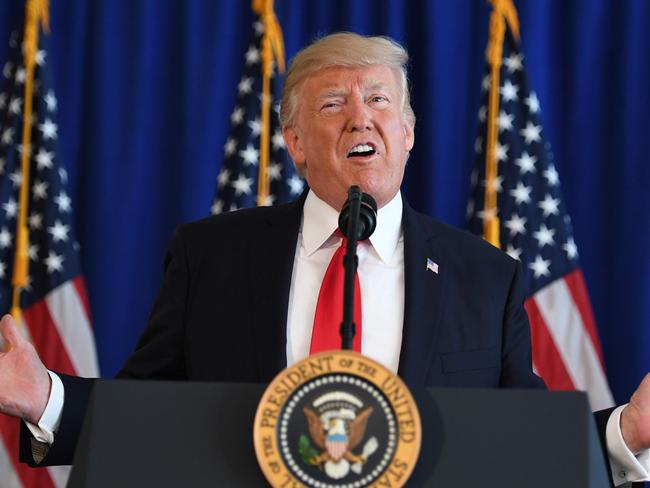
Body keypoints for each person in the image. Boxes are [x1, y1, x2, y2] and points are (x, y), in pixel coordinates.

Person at [0, 32, 649, 485]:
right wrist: (45, 399)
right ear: (295, 142)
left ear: (409, 133)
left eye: (379, 100)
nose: (359, 119)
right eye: (333, 105)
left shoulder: (484, 275)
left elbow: (524, 443)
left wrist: (627, 433)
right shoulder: (213, 256)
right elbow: (144, 416)